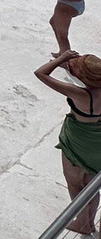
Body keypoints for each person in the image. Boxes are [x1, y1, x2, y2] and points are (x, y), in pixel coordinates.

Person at [36, 50, 101, 235]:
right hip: (97, 141)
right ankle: (88, 223)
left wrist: (61, 58)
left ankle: (83, 223)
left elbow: (41, 73)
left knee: (75, 183)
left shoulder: (80, 94)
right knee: (91, 186)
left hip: (78, 142)